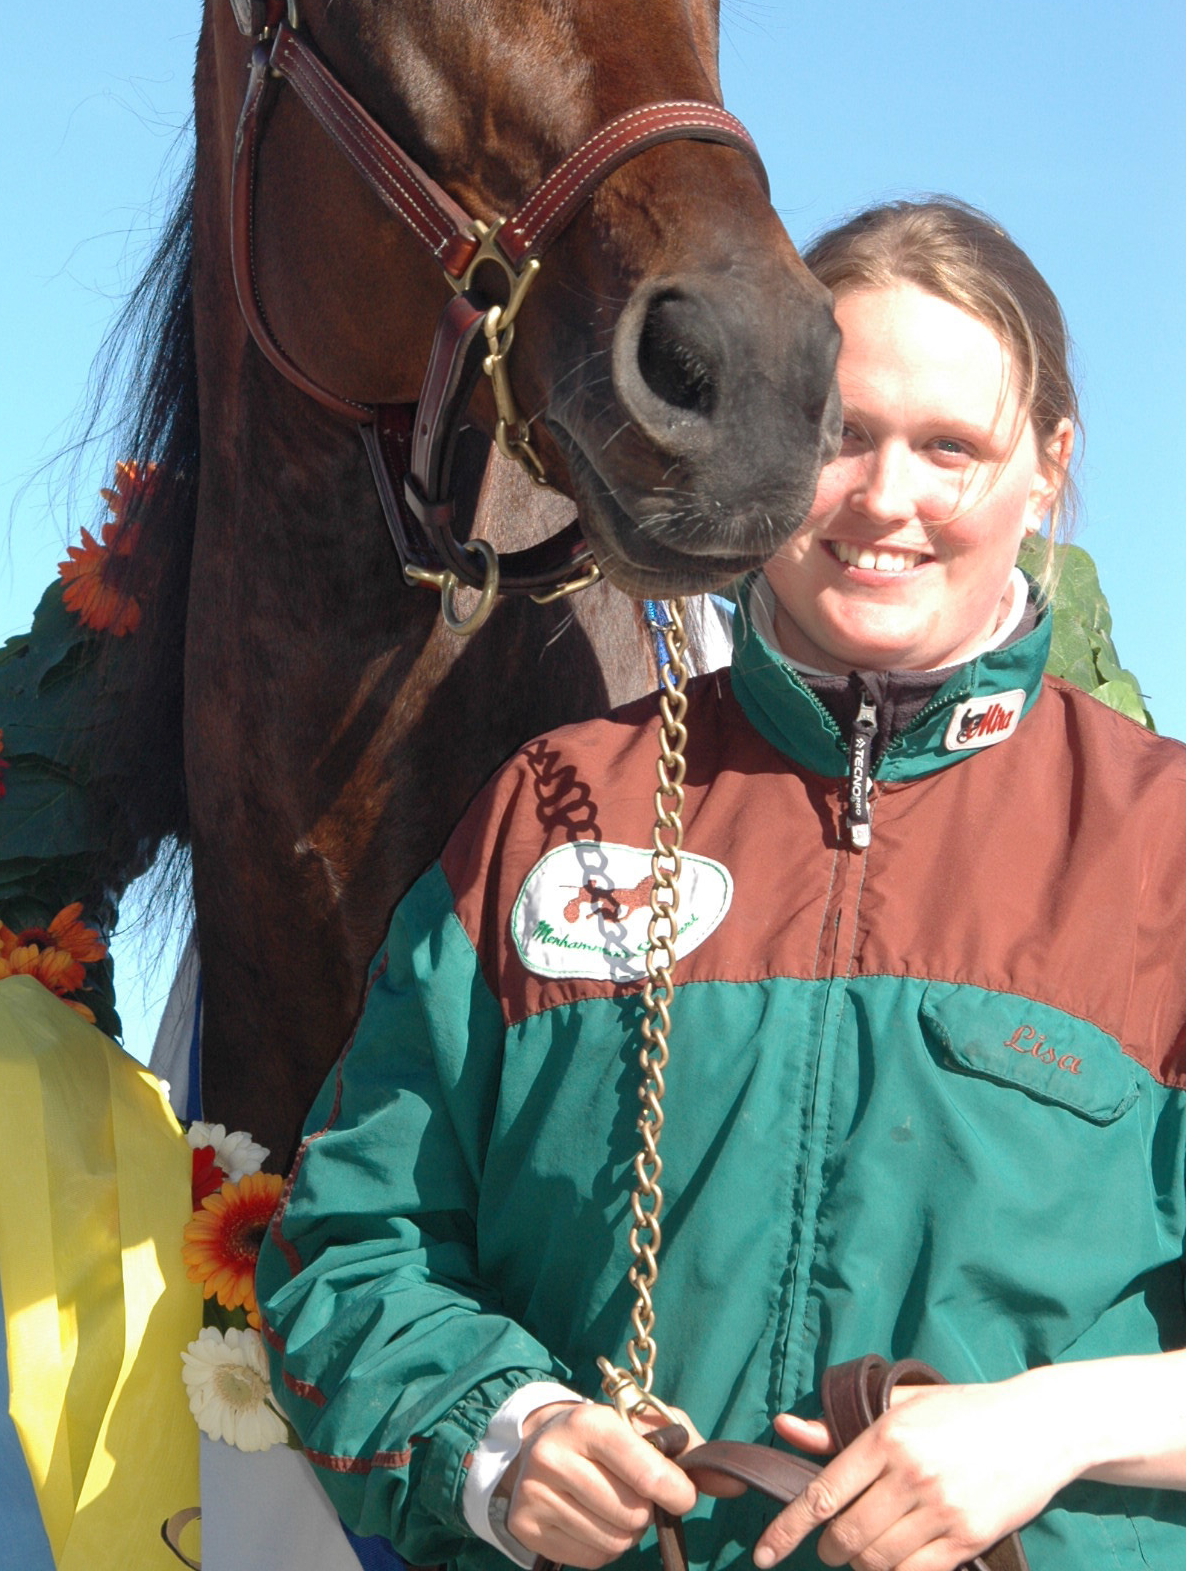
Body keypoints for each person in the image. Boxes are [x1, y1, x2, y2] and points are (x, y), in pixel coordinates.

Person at [255, 198, 1186, 1571]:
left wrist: (1047, 1428)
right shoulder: (550, 803)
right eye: (841, 436)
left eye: (952, 449)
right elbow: (350, 1244)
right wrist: (497, 1438)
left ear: (1047, 466)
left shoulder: (1159, 841)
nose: (886, 499)